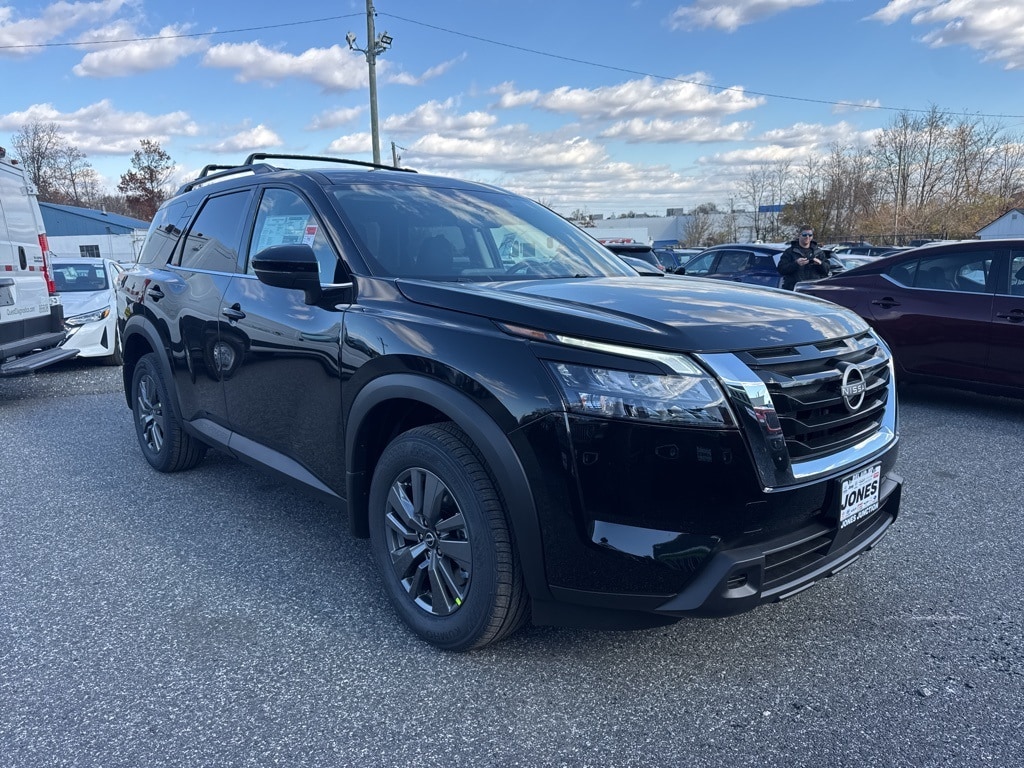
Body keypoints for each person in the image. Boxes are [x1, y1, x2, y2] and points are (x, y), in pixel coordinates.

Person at [777, 225, 831, 290]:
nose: (807, 237)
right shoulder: (790, 252)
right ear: (799, 235)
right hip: (794, 289)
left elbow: (827, 270)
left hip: (813, 289)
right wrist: (796, 264)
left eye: (810, 235)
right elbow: (781, 269)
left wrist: (820, 263)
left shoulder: (818, 252)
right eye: (804, 234)